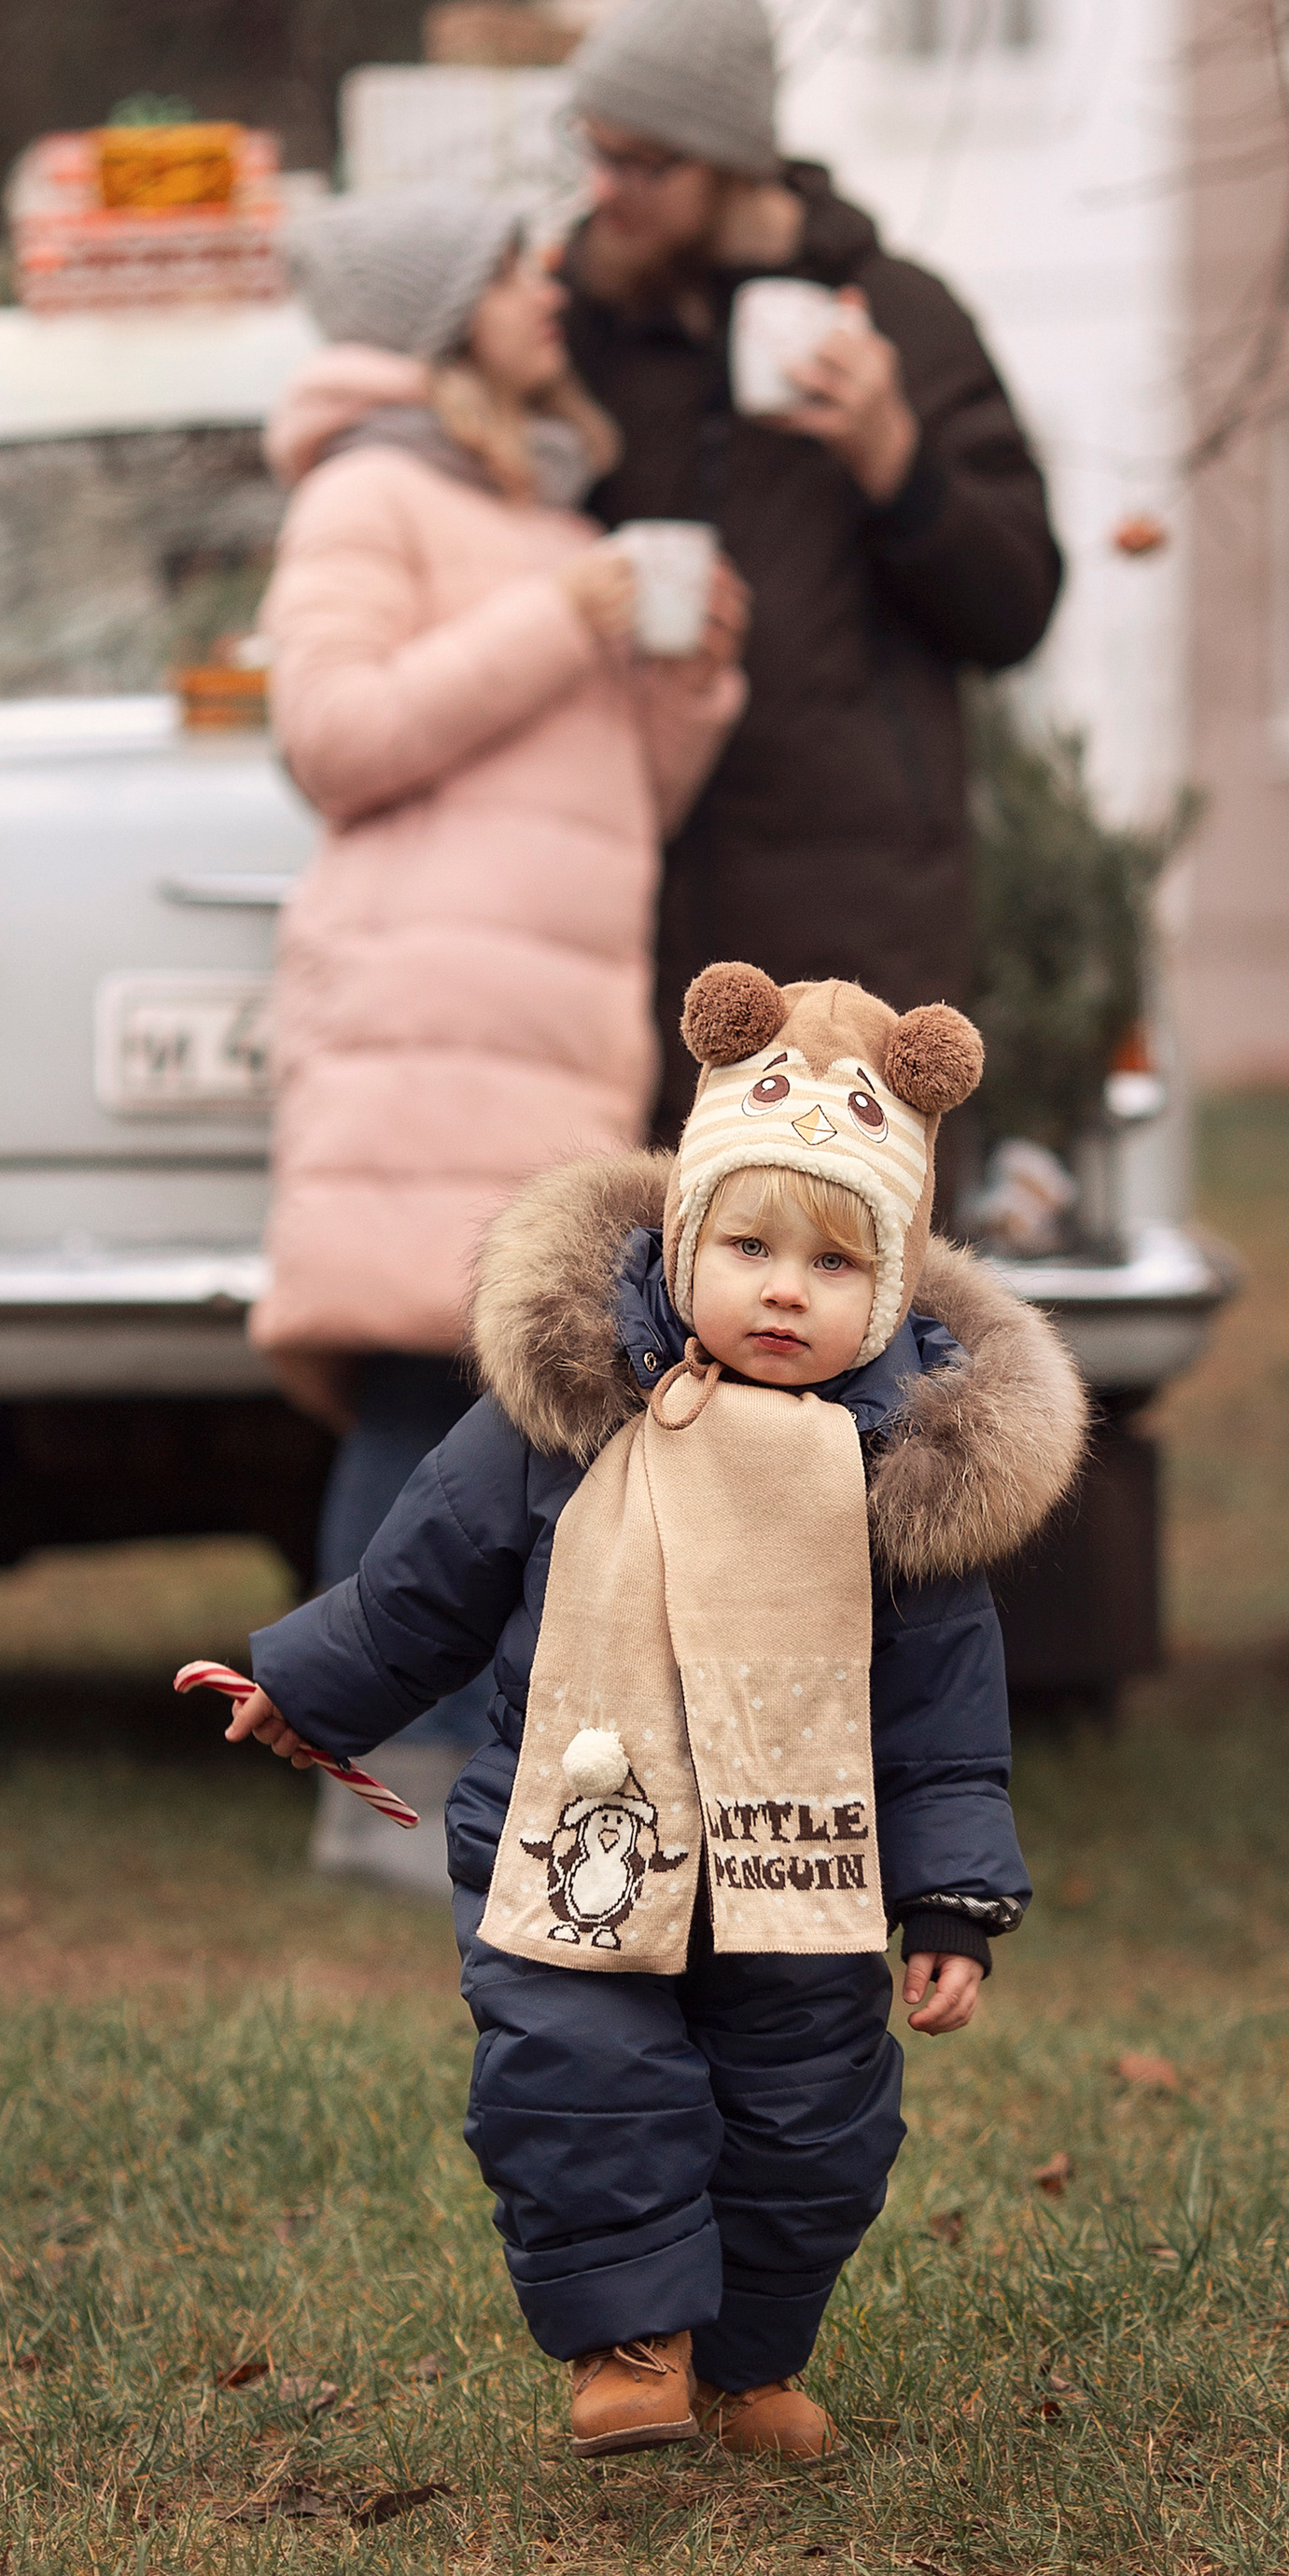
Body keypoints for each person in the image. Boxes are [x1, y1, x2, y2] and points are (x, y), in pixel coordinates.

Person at [220, 959, 1087, 2460]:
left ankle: (748, 2361)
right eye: (747, 1244)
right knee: (579, 2080)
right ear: (682, 1238)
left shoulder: (899, 1485)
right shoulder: (567, 1414)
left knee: (809, 2122)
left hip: (800, 1862)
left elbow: (946, 1719)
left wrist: (950, 1900)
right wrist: (310, 1688)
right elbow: (422, 1579)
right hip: (577, 1828)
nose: (780, 1289)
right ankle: (631, 2341)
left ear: (884, 1292)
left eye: (830, 1266)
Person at [253, 185, 747, 1609]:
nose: (552, 291)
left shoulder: (544, 513)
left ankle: (488, 1773)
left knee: (528, 1423)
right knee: (425, 1401)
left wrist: (689, 680)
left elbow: (611, 807)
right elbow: (332, 737)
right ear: (442, 318)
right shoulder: (366, 493)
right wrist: (562, 621)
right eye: (515, 270)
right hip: (429, 1032)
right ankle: (382, 1770)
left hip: (552, 1038)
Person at [557, 0, 1063, 1138]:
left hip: (859, 908)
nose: (606, 191)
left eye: (641, 162)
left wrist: (896, 457)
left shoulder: (901, 318)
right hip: (634, 888)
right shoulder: (582, 327)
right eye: (593, 153)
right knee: (649, 1285)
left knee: (847, 1280)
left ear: (730, 157)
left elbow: (1017, 608)